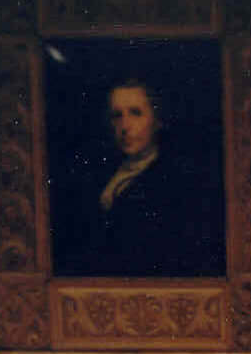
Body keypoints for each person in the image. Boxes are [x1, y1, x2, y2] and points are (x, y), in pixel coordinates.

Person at [61, 76, 221, 278]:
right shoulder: (99, 173)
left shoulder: (174, 180)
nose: (125, 126)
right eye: (117, 116)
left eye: (136, 113)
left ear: (157, 120)